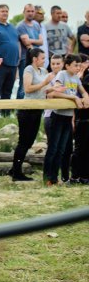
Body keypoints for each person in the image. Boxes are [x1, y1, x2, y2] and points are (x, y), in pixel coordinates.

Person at [44, 54, 89, 185]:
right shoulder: (62, 75)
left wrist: (85, 96)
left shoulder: (76, 78)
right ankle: (48, 177)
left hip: (68, 118)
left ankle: (56, 178)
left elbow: (83, 91)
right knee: (53, 148)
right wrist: (74, 98)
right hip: (57, 117)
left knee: (62, 149)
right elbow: (55, 92)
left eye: (79, 65)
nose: (78, 67)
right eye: (75, 65)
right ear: (67, 65)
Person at [11, 48, 52, 182]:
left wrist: (54, 88)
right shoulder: (29, 69)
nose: (44, 61)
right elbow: (27, 88)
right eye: (42, 58)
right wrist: (44, 83)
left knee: (29, 142)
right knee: (24, 141)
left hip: (37, 109)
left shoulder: (44, 71)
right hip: (27, 109)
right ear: (35, 59)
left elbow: (44, 89)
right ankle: (16, 172)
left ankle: (14, 169)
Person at [16, 4, 45, 99]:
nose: (30, 13)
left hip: (38, 59)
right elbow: (27, 43)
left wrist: (31, 40)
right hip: (26, 59)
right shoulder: (21, 26)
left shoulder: (36, 25)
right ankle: (20, 108)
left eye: (32, 11)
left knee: (37, 82)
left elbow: (41, 41)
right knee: (23, 85)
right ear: (23, 12)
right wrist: (34, 41)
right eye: (28, 11)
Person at [71, 54, 89, 183]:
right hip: (80, 117)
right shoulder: (74, 78)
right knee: (79, 148)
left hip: (85, 117)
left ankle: (85, 176)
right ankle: (76, 175)